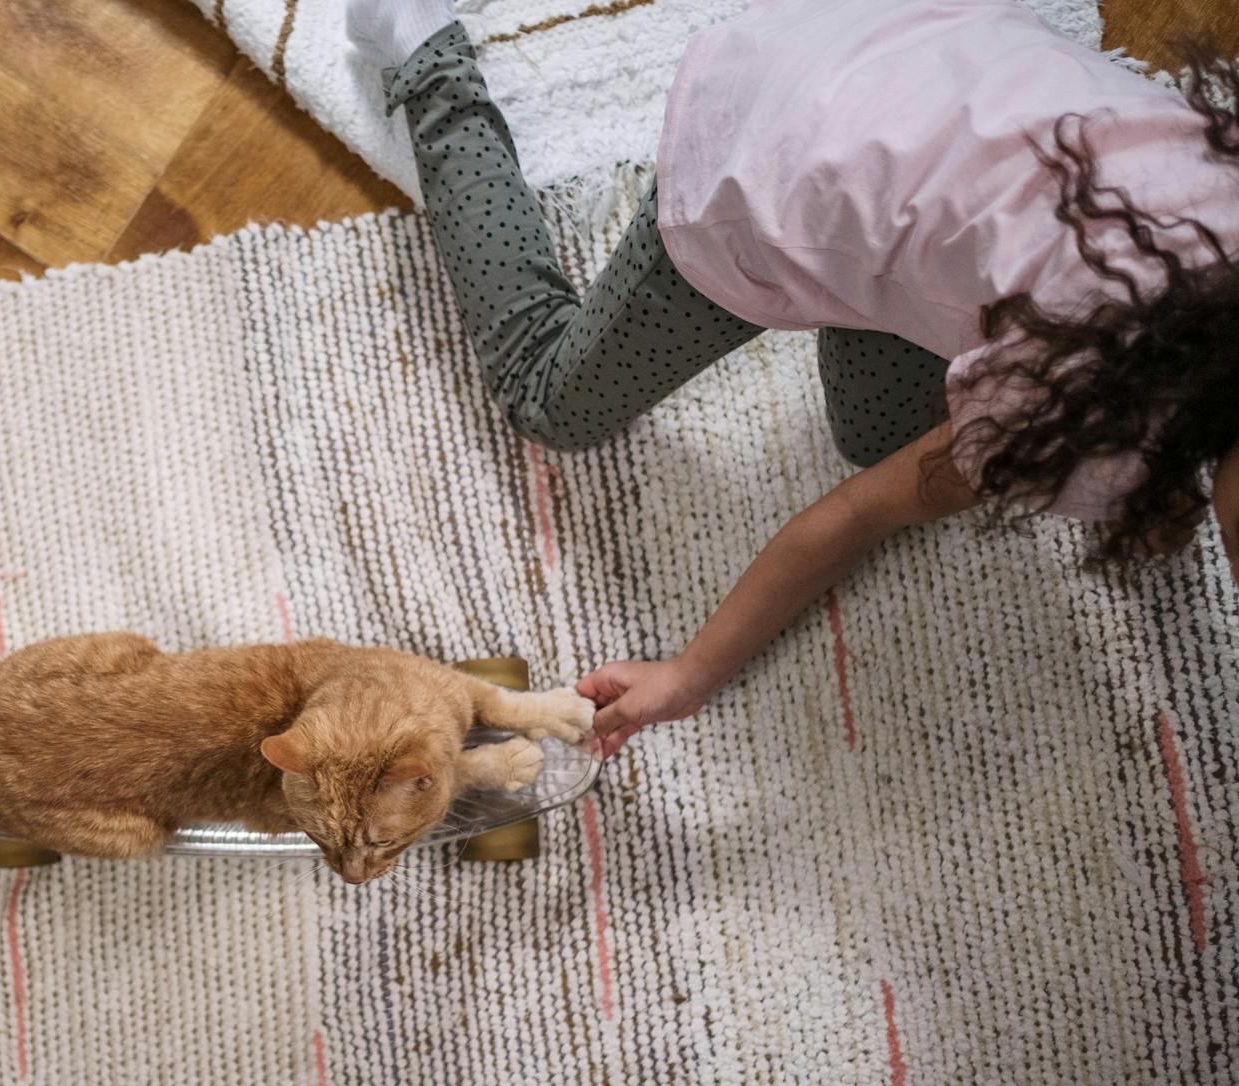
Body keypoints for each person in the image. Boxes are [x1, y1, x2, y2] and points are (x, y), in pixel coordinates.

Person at [349, 0, 1239, 757]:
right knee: (550, 397)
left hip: (930, 42)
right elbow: (859, 511)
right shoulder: (1080, 412)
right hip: (768, 135)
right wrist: (691, 674)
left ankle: (871, 263)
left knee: (881, 429)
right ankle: (428, 59)